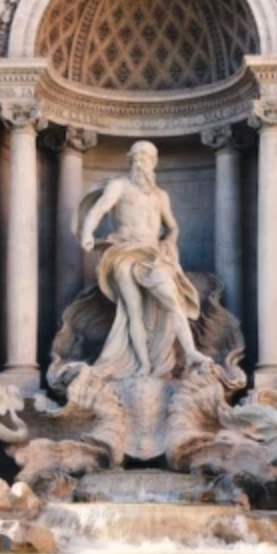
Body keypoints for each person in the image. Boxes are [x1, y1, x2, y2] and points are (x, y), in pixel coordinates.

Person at [75, 140, 212, 379]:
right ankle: (143, 365)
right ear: (131, 160)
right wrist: (87, 233)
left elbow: (172, 227)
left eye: (146, 157)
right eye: (137, 157)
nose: (141, 161)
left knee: (172, 300)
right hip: (124, 252)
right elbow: (98, 210)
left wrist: (169, 244)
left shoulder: (161, 196)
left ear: (154, 162)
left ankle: (190, 352)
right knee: (133, 310)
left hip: (153, 255)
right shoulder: (119, 186)